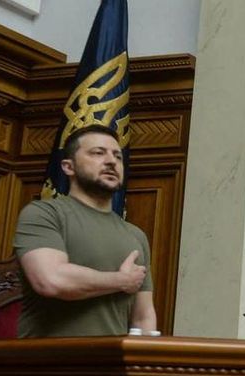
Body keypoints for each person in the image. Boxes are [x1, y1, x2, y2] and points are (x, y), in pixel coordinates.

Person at [14, 125, 157, 338]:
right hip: (47, 364)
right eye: (98, 153)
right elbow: (51, 280)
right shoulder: (43, 214)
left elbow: (143, 316)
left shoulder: (135, 235)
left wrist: (144, 365)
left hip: (110, 365)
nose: (111, 161)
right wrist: (121, 280)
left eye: (118, 157)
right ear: (68, 167)